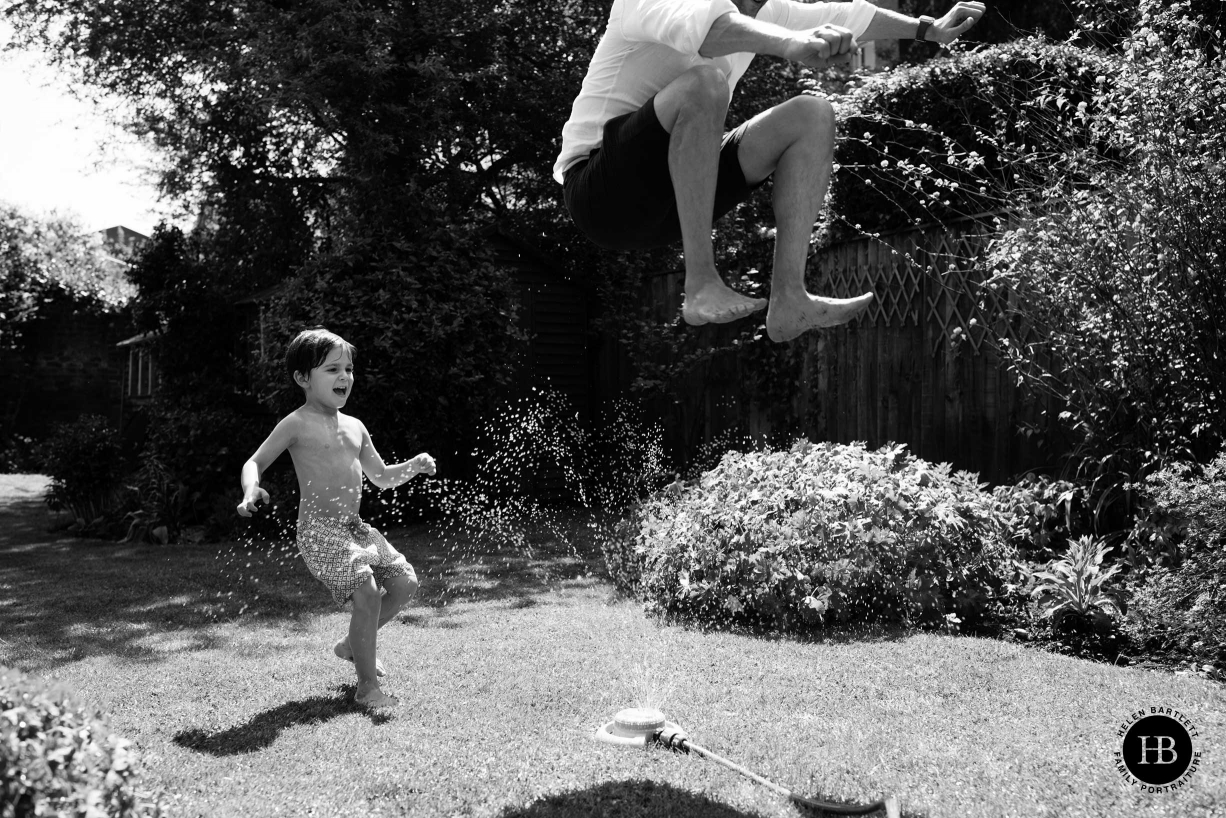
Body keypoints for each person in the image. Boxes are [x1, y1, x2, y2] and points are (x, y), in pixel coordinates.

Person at [557, 0, 986, 342]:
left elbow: (852, 15)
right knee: (705, 85)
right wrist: (791, 44)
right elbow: (707, 30)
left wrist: (928, 28)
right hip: (600, 192)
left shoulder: (767, 12)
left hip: (671, 203)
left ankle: (789, 298)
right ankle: (701, 282)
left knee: (812, 114)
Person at [236, 328, 436, 708]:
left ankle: (351, 644)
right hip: (319, 532)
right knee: (366, 593)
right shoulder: (296, 423)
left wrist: (413, 466)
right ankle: (366, 688)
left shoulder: (355, 427)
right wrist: (251, 489)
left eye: (348, 368)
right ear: (302, 379)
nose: (344, 377)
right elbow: (254, 462)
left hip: (354, 530)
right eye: (332, 369)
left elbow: (380, 477)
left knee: (405, 583)